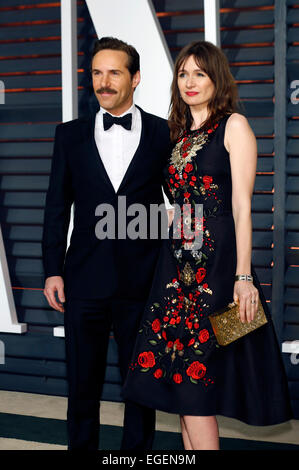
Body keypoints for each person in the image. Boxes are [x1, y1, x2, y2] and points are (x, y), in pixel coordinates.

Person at [122, 40, 293, 450]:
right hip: (174, 271)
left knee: (199, 385)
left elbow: (241, 207)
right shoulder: (177, 135)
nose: (190, 82)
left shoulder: (234, 125)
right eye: (183, 73)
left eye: (200, 73)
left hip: (218, 272)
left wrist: (244, 278)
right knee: (181, 388)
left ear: (218, 78)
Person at [42, 36, 173, 450]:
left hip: (144, 281)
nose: (104, 81)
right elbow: (56, 207)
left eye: (114, 72)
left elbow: (186, 202)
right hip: (83, 281)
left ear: (135, 78)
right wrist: (52, 270)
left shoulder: (164, 132)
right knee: (82, 387)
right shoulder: (70, 135)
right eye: (97, 73)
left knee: (140, 389)